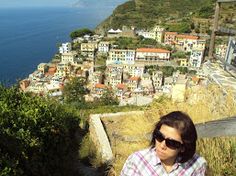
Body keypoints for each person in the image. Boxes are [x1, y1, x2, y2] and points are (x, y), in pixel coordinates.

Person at [120, 111, 207, 176]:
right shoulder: (137, 161)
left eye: (171, 143)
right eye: (159, 136)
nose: (162, 145)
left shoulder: (196, 164)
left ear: (183, 147)